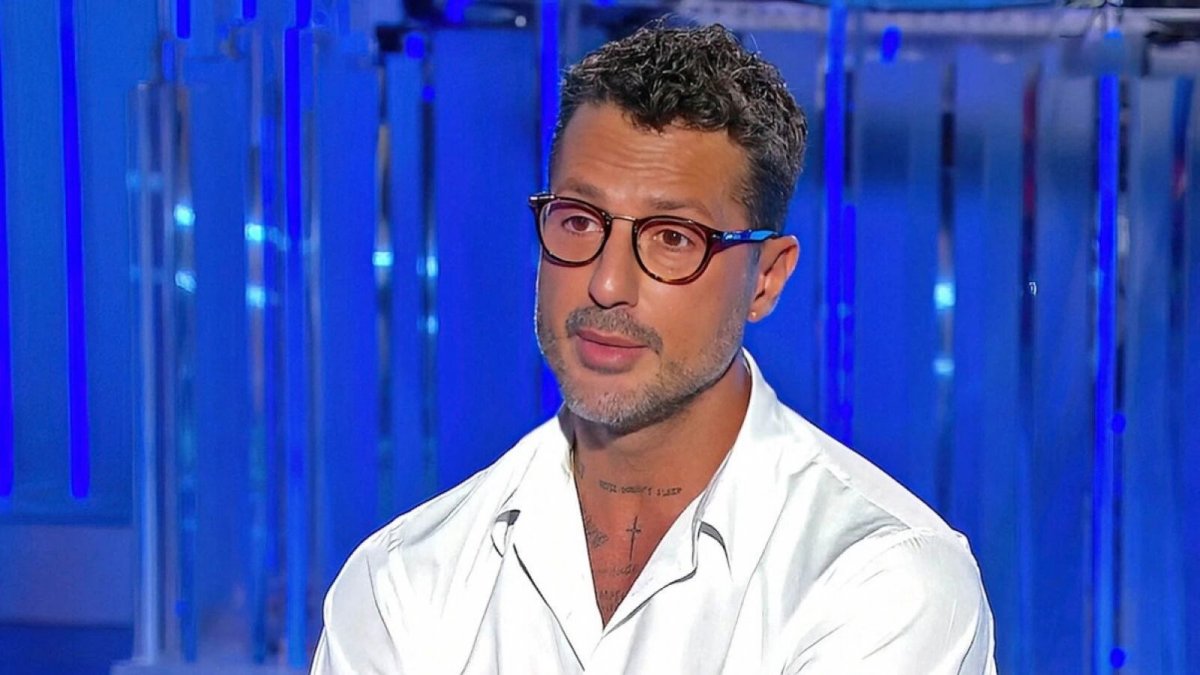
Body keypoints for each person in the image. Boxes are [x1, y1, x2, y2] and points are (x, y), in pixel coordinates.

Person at [313, 22, 996, 674]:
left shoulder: (882, 578)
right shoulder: (403, 581)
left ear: (766, 279)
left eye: (673, 237)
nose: (607, 283)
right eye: (579, 221)